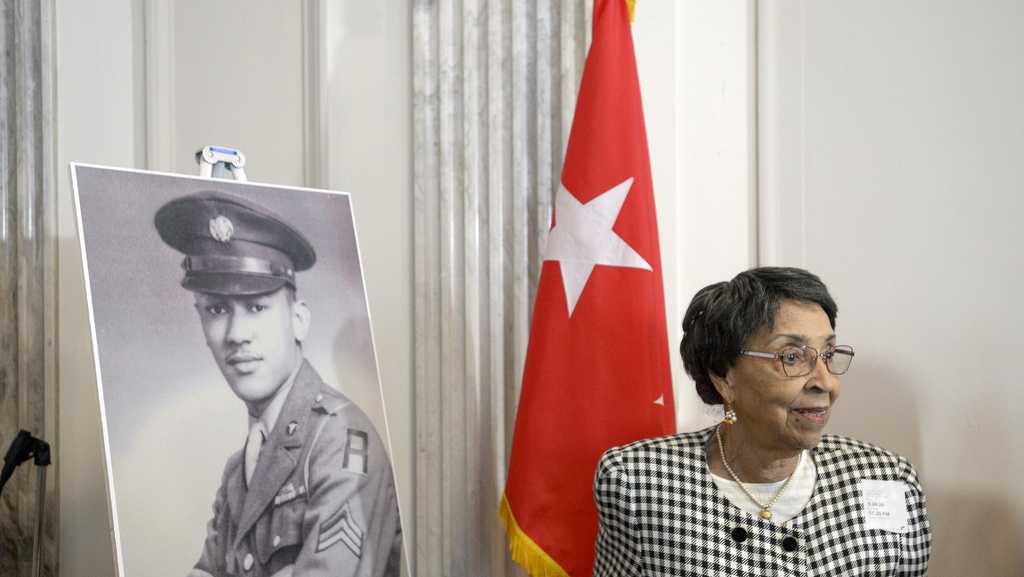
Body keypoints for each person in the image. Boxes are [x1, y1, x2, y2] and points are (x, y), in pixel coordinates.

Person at [592, 267, 931, 576]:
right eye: (792, 357)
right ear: (723, 376)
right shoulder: (639, 483)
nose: (825, 383)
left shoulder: (888, 479)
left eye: (828, 355)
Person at [154, 190, 402, 577]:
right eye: (217, 310)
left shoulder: (343, 441)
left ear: (299, 319)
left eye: (257, 307)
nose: (236, 334)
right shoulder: (240, 469)